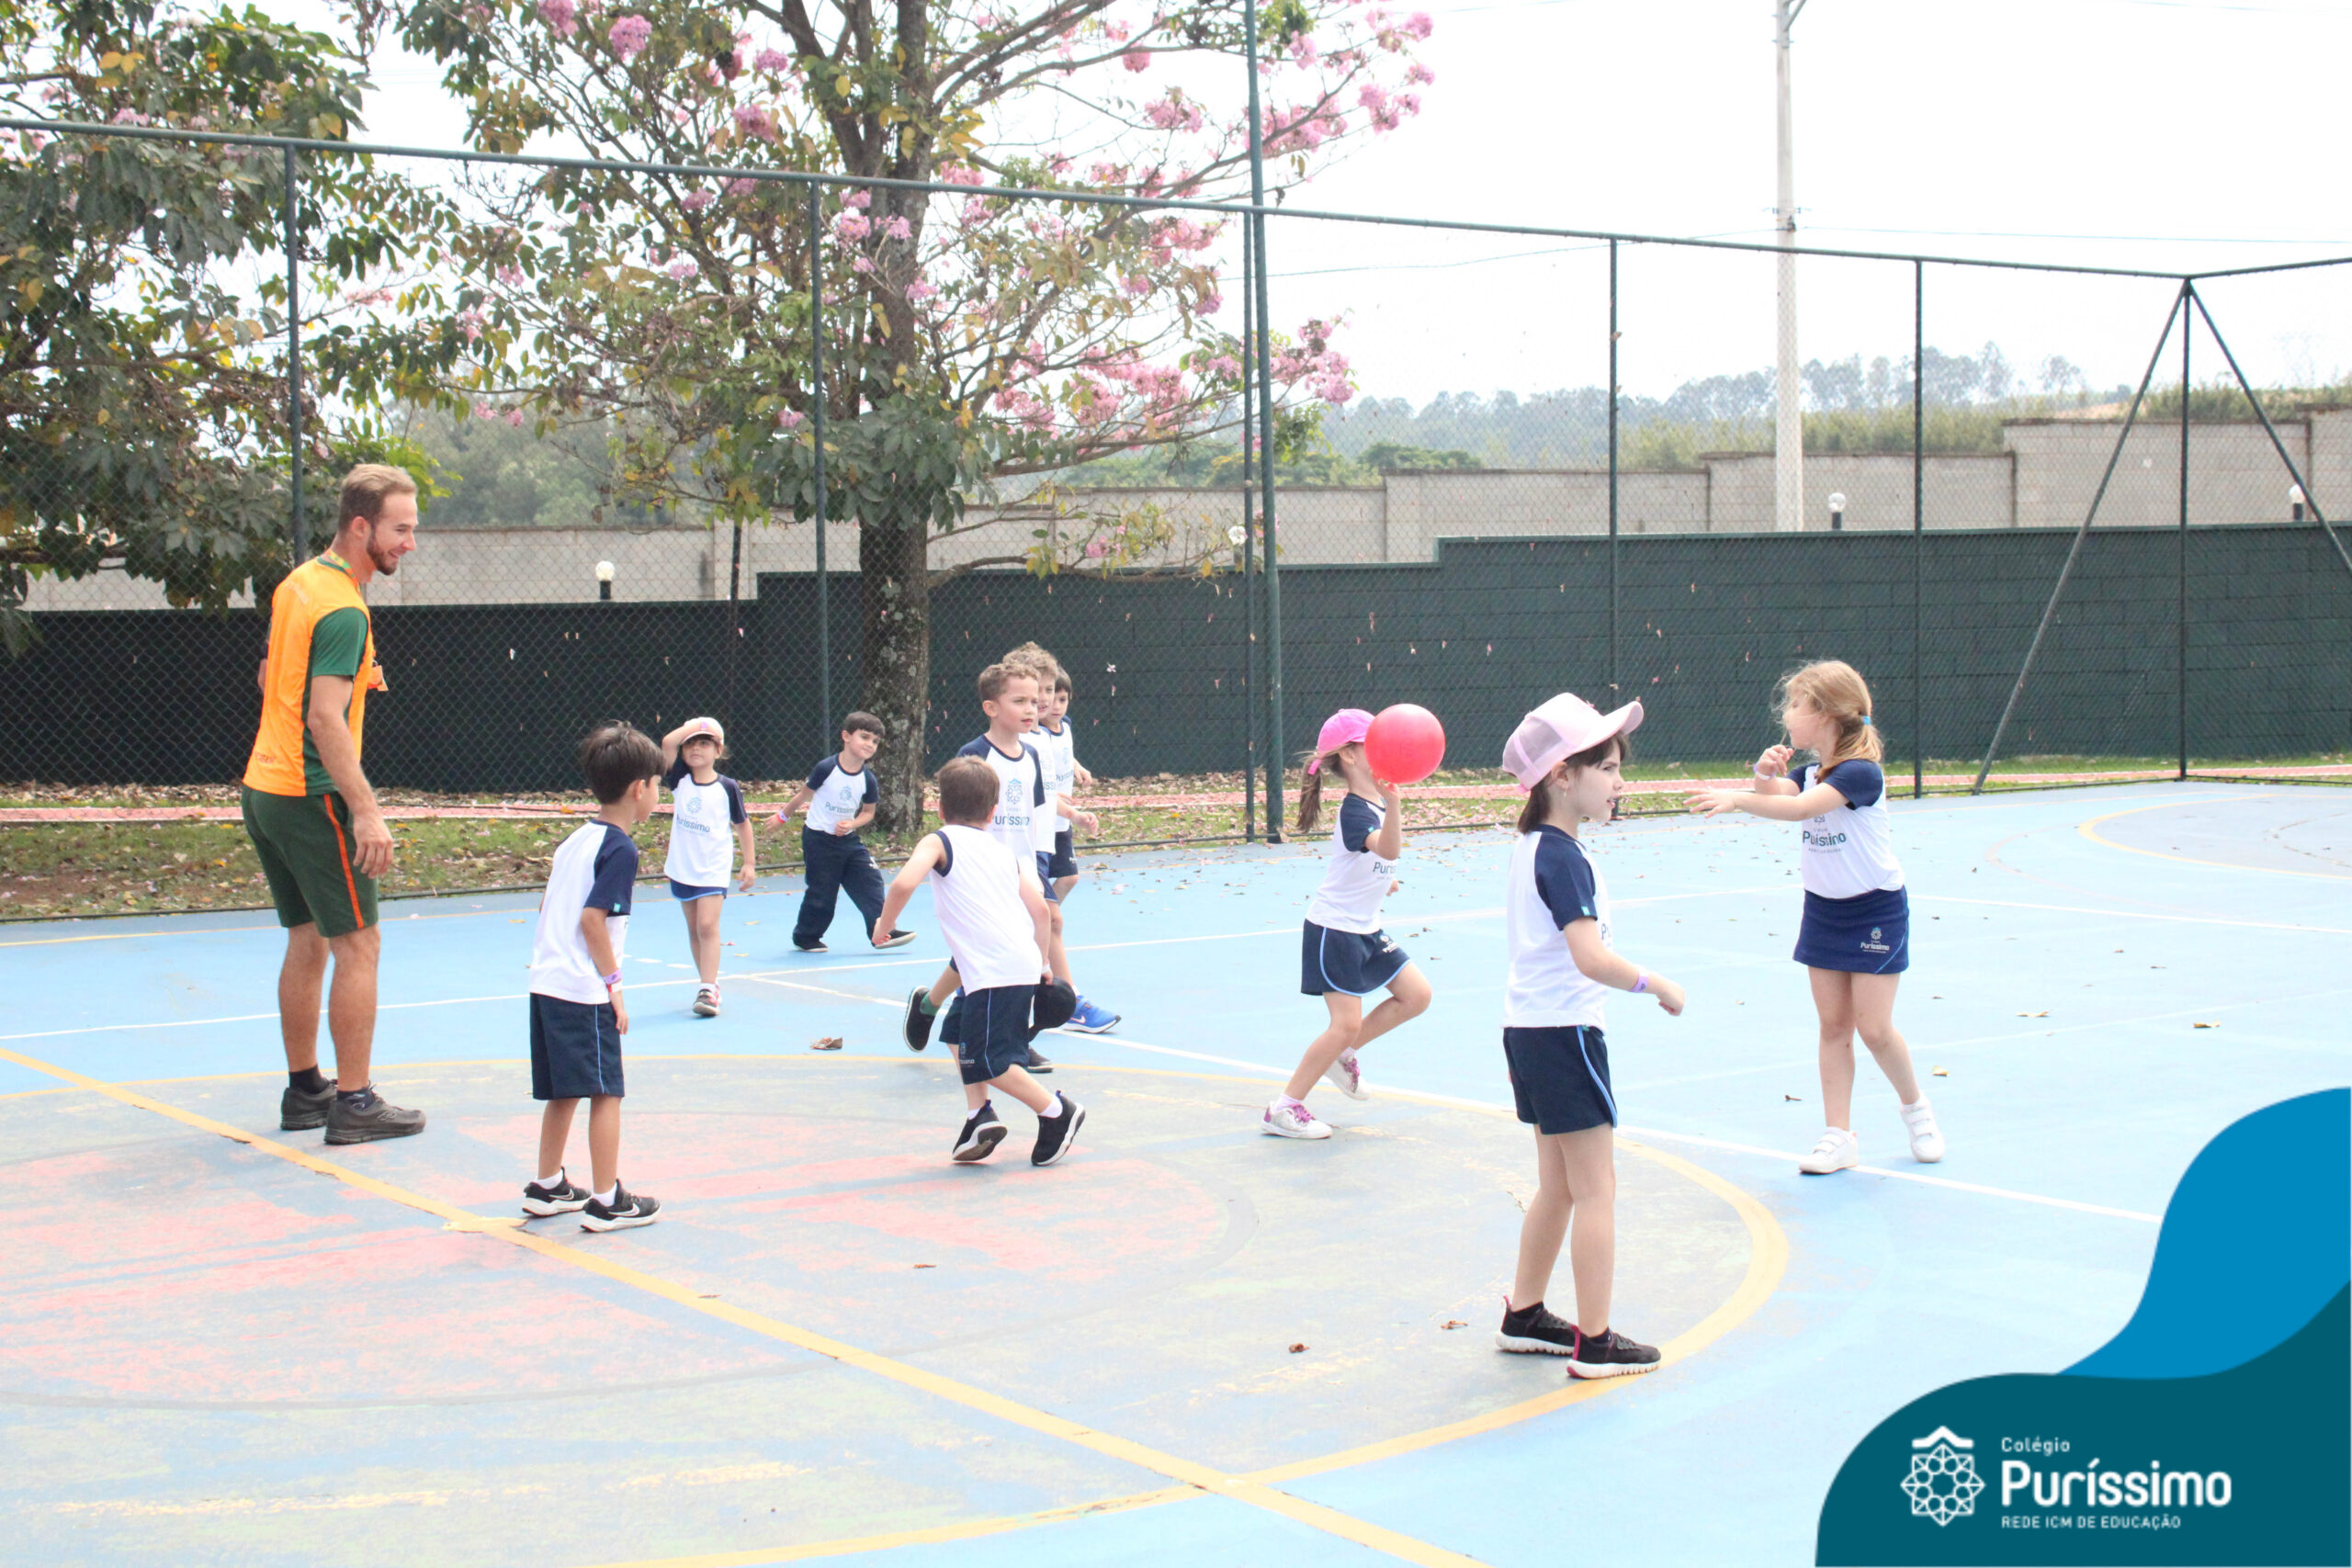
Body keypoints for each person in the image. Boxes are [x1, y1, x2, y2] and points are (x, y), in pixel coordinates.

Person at [1686, 660, 1945, 1174]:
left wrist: (1736, 799)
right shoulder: (1810, 772)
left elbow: (1803, 810)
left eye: (1796, 704)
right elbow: (1782, 793)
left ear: (1825, 713)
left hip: (1875, 911)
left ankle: (1916, 1109)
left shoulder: (1859, 774)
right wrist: (1762, 775)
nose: (1788, 713)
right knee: (1833, 1025)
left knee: (1874, 1029)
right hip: (1825, 911)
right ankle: (1838, 1136)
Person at [1493, 693, 1685, 1378]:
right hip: (1564, 1034)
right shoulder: (1563, 856)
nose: (1618, 780)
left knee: (1559, 1185)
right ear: (1560, 777)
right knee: (1596, 1187)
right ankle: (1597, 1341)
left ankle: (1525, 1314)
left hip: (1529, 1031)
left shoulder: (1534, 846)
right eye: (1604, 766)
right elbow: (1590, 957)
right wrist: (1656, 983)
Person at [242, 463, 425, 1145]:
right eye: (399, 529)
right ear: (361, 526)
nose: (409, 543)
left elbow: (268, 676)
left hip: (263, 789)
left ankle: (305, 1090)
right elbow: (324, 717)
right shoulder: (345, 607)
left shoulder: (301, 583)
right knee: (360, 944)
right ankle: (354, 1102)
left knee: (308, 939)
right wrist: (365, 809)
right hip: (310, 795)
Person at [873, 756, 1087, 1167]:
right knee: (955, 1034)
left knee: (992, 1061)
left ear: (939, 807)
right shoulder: (1006, 852)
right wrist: (1043, 963)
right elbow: (1040, 912)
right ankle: (979, 1115)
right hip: (1008, 962)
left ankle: (1058, 1112)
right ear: (993, 813)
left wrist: (885, 925)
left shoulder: (939, 841)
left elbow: (902, 882)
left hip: (993, 971)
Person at [522, 722, 665, 1231]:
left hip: (547, 983)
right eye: (656, 783)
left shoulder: (575, 841)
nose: (658, 793)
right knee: (606, 1092)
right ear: (638, 789)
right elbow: (592, 920)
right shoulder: (621, 849)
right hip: (583, 990)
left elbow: (548, 907)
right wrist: (615, 989)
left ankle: (547, 1185)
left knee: (565, 1090)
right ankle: (607, 1200)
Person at [1264, 708, 1433, 1139]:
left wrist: (1383, 883)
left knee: (1416, 995)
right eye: (1375, 746)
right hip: (1334, 930)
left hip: (1365, 927)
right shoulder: (1359, 810)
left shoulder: (1373, 803)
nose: (1387, 753)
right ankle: (1284, 1108)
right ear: (1352, 757)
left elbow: (1373, 861)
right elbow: (1388, 849)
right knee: (1344, 1024)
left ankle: (1345, 1055)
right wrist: (1395, 806)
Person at [901, 661, 1063, 1071]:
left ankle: (938, 1009)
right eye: (1020, 700)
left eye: (1036, 699)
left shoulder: (1033, 755)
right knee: (992, 953)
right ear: (992, 707)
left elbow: (1036, 815)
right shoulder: (974, 755)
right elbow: (960, 817)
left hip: (1023, 866)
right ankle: (994, 1036)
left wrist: (1042, 863)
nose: (1033, 707)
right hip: (983, 869)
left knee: (1017, 943)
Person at [781, 712, 914, 953]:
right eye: (864, 737)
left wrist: (851, 825)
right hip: (818, 840)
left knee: (870, 879)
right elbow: (804, 795)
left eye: (874, 741)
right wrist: (783, 816)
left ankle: (881, 931)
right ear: (845, 736)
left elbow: (868, 812)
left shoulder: (868, 779)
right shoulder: (826, 768)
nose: (870, 745)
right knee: (823, 892)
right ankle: (806, 936)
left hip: (848, 841)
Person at [1033, 661, 1119, 1033]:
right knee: (1046, 920)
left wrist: (1073, 793)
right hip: (1025, 842)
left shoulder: (1052, 734)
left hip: (1044, 836)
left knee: (1054, 907)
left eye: (1054, 694)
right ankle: (1070, 1004)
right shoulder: (1020, 742)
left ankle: (932, 1002)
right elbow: (1043, 793)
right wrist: (1074, 812)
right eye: (1037, 697)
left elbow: (1050, 784)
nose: (1049, 703)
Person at [658, 717, 755, 1017]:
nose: (696, 748)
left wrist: (749, 862)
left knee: (707, 926)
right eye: (691, 744)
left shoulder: (727, 787)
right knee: (693, 929)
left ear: (718, 750)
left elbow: (742, 824)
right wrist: (694, 726)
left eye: (704, 743)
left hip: (713, 868)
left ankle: (708, 988)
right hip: (682, 867)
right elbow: (666, 744)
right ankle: (707, 982)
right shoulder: (679, 781)